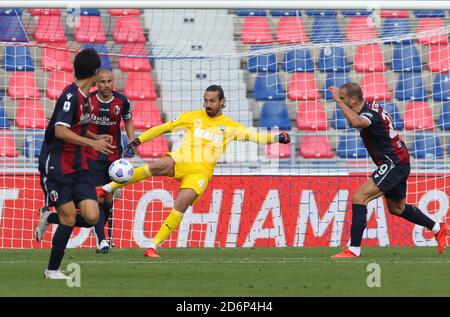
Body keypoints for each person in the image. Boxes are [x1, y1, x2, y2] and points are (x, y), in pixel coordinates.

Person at [97, 85, 291, 258]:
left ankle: (152, 246)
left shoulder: (231, 127)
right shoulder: (192, 116)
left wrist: (277, 138)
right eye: (206, 100)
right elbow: (164, 128)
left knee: (181, 203)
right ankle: (106, 188)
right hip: (181, 160)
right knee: (155, 166)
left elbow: (255, 136)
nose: (208, 104)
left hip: (200, 173)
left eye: (212, 101)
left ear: (222, 102)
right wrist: (138, 140)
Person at [329, 83, 447, 258]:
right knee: (396, 208)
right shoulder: (369, 107)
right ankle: (438, 227)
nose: (342, 100)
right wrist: (342, 101)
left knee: (359, 197)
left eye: (345, 98)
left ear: (353, 99)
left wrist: (338, 101)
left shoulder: (369, 114)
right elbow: (354, 119)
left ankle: (354, 249)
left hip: (394, 162)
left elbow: (355, 122)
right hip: (399, 159)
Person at [35, 49, 115, 279]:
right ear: (95, 72)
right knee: (69, 218)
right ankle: (51, 270)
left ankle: (49, 218)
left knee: (92, 216)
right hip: (58, 165)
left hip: (79, 167)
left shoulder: (84, 97)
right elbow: (60, 130)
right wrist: (91, 145)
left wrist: (94, 138)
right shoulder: (70, 97)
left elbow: (77, 126)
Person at [87, 69, 135, 253]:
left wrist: (132, 140)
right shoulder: (88, 101)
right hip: (92, 156)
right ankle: (102, 240)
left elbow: (128, 120)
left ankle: (101, 235)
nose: (106, 85)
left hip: (114, 157)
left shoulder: (121, 101)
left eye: (109, 81)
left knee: (108, 199)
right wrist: (95, 139)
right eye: (102, 82)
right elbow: (80, 127)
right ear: (96, 83)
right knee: (97, 196)